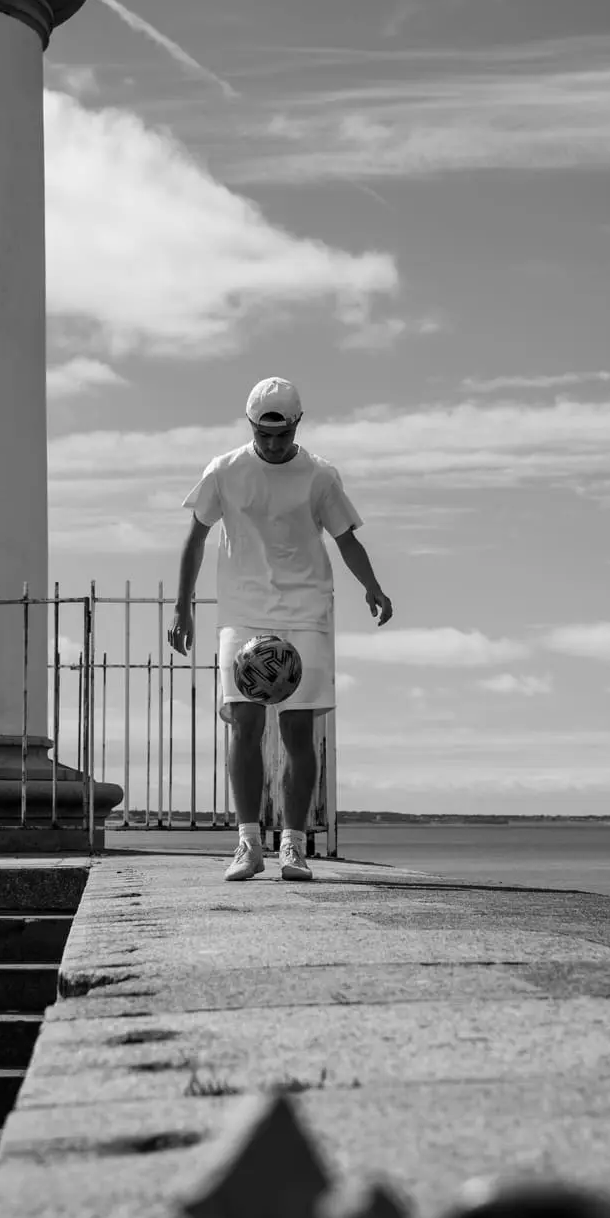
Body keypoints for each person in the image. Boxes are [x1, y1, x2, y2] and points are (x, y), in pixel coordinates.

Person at [169, 377, 393, 883]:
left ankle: (293, 846)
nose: (273, 445)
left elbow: (345, 539)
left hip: (305, 609)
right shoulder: (224, 471)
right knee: (243, 722)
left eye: (282, 435)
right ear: (251, 425)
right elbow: (196, 538)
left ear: (297, 425)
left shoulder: (319, 475)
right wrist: (182, 608)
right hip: (243, 610)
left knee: (298, 730)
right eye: (263, 435)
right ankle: (248, 845)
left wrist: (372, 587)